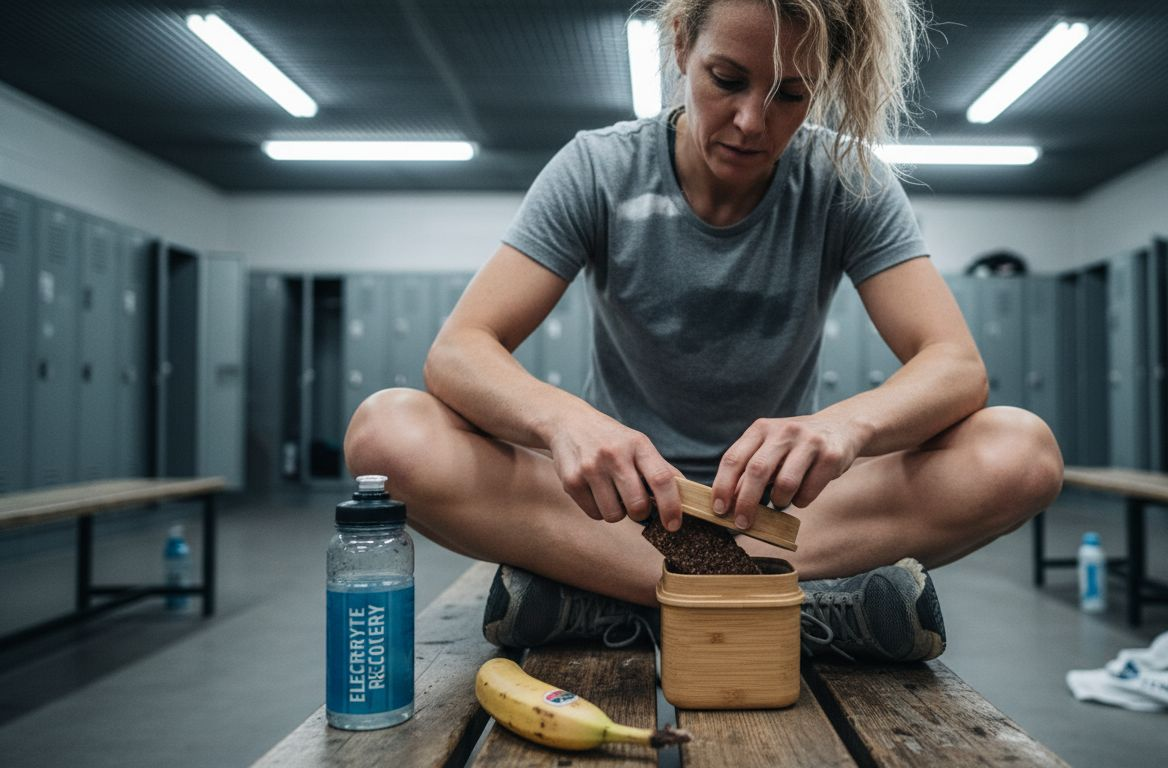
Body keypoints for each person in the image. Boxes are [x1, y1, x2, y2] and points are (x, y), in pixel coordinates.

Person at [345, 0, 1063, 662]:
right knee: (386, 435)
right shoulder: (597, 168)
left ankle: (602, 603)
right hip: (618, 514)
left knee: (1020, 453)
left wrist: (844, 428)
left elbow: (955, 365)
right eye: (728, 79)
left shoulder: (848, 182)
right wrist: (565, 423)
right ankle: (801, 605)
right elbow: (460, 350)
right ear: (683, 44)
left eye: (789, 94)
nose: (752, 121)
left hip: (786, 516)